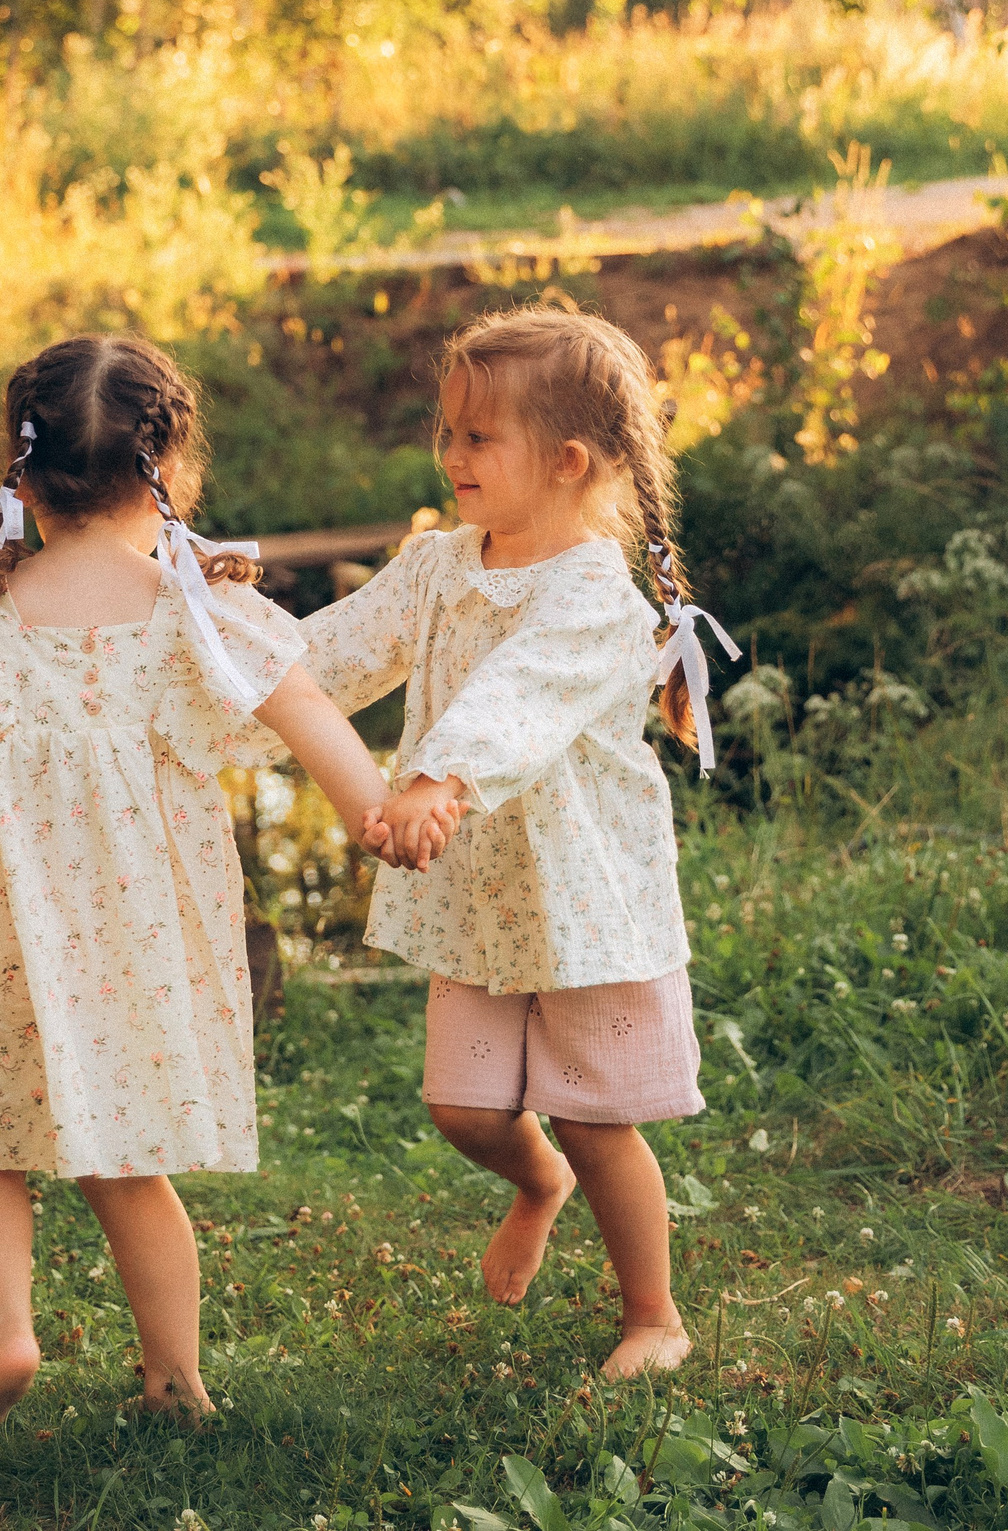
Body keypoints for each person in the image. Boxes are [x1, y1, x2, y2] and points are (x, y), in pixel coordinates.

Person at [0, 334, 454, 1442]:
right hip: (136, 930)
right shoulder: (199, 614)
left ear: (23, 472)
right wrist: (374, 813)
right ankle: (173, 1379)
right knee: (128, 1160)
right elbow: (309, 714)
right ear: (170, 466)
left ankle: (8, 1337)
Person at [311, 303, 734, 1381]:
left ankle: (653, 1315)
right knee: (462, 1107)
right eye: (446, 431)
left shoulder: (592, 593)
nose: (450, 454)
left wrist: (437, 781)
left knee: (596, 1122)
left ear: (566, 460)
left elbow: (518, 699)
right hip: (478, 895)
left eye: (476, 437)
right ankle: (531, 1185)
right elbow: (337, 650)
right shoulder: (440, 563)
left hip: (582, 900)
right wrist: (239, 652)